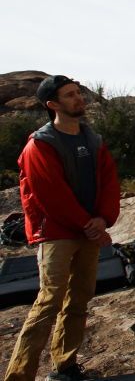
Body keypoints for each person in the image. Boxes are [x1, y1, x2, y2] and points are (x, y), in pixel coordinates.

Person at [5, 75, 120, 381]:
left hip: (89, 230)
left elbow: (109, 181)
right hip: (56, 233)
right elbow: (50, 193)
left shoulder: (92, 139)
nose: (78, 98)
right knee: (49, 300)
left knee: (80, 297)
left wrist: (104, 219)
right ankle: (20, 375)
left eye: (78, 92)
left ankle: (65, 365)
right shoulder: (39, 145)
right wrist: (90, 224)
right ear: (52, 105)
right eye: (69, 95)